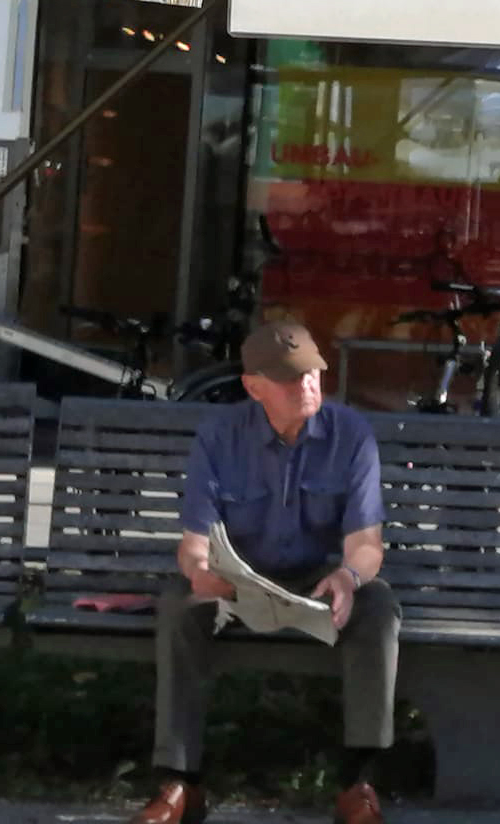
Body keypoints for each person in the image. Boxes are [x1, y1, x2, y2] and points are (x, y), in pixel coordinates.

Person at [126, 321, 400, 824]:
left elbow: (366, 544)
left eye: (313, 372)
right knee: (180, 608)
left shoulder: (352, 435)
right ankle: (179, 783)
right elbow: (194, 544)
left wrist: (347, 578)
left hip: (319, 581)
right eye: (291, 378)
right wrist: (201, 573)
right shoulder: (219, 436)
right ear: (254, 387)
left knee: (378, 607)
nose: (308, 384)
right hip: (238, 580)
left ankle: (359, 784)